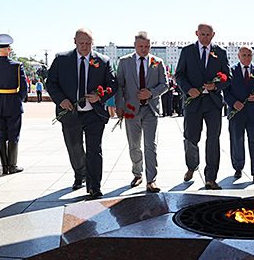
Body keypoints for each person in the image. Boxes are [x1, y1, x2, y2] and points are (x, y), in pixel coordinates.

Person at [46, 28, 118, 199]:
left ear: (93, 43)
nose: (85, 47)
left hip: (94, 114)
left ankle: (94, 187)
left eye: (88, 43)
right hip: (70, 113)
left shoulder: (103, 61)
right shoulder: (62, 59)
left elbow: (112, 84)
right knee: (74, 147)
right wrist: (61, 99)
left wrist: (100, 95)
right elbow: (51, 83)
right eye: (81, 43)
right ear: (74, 41)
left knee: (94, 149)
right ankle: (80, 174)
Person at [175, 22, 231, 190]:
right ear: (196, 34)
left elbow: (227, 77)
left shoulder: (220, 53)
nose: (205, 38)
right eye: (202, 34)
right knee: (191, 137)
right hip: (193, 101)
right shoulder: (187, 51)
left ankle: (210, 178)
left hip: (213, 103)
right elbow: (179, 74)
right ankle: (192, 166)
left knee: (213, 139)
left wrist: (216, 86)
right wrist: (188, 89)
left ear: (213, 35)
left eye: (208, 35)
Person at [114, 31, 168, 193]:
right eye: (141, 46)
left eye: (147, 46)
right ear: (135, 45)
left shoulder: (158, 62)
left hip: (150, 110)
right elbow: (119, 86)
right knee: (134, 145)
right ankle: (137, 174)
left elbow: (164, 85)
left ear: (150, 46)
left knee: (150, 145)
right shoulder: (124, 62)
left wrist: (150, 93)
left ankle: (151, 180)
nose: (144, 49)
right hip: (131, 110)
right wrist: (119, 106)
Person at [224, 45, 254, 183]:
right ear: (238, 56)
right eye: (244, 55)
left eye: (249, 55)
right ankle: (238, 167)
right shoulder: (230, 71)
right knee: (237, 141)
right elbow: (225, 92)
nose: (246, 58)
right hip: (236, 112)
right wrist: (233, 103)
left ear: (252, 55)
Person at [0, 34, 27, 175]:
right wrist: (17, 99)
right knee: (13, 134)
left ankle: (4, 166)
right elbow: (24, 88)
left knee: (1, 134)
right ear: (9, 49)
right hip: (13, 103)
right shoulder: (17, 66)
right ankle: (12, 166)